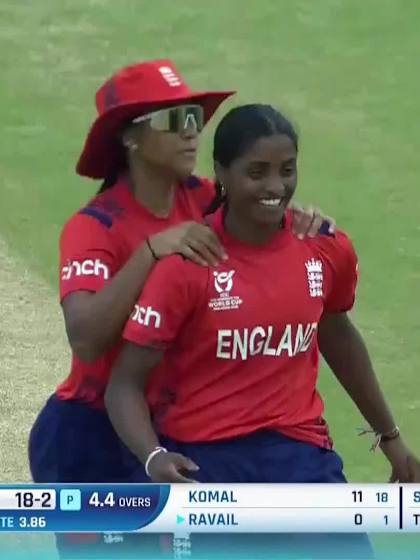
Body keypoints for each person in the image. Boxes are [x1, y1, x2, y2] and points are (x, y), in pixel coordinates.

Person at [28, 61, 334, 559]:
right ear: (130, 138)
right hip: (90, 437)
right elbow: (85, 338)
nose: (192, 134)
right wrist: (152, 252)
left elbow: (262, 204)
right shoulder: (95, 227)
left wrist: (304, 218)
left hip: (167, 433)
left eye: (194, 117)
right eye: (173, 122)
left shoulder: (206, 198)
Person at [106, 104, 420, 559]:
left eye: (286, 170)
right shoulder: (187, 265)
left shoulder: (325, 247)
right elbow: (125, 384)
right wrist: (154, 458)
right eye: (257, 172)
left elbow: (337, 335)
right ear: (222, 173)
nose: (276, 187)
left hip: (300, 459)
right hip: (206, 463)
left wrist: (390, 438)